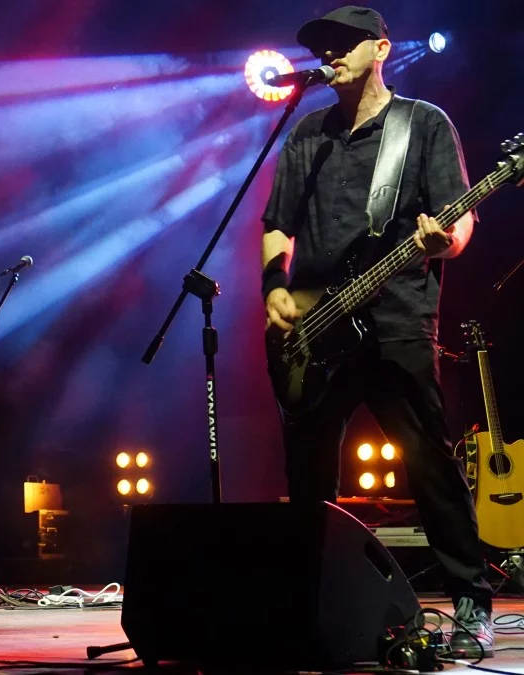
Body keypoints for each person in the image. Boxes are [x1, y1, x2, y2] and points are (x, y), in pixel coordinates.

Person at [261, 6, 493, 656]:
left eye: (342, 43)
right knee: (307, 479)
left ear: (382, 48)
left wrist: (442, 239)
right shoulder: (307, 132)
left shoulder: (422, 124)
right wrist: (274, 288)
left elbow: (462, 216)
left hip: (395, 320)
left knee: (429, 467)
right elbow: (277, 225)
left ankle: (471, 602)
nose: (329, 54)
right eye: (321, 46)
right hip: (312, 329)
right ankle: (312, 603)